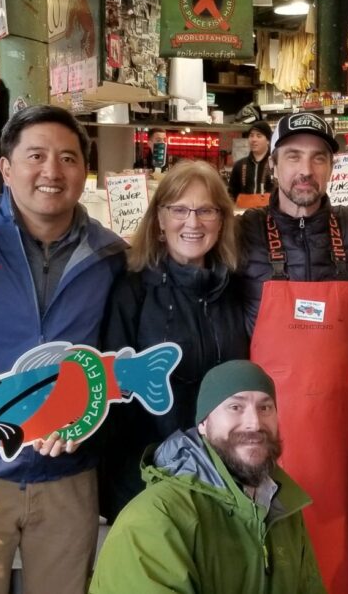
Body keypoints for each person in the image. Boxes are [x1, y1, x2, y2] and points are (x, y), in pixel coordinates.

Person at [0, 105, 128, 594]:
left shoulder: (110, 255)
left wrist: (89, 414)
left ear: (86, 171)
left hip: (68, 471)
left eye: (68, 159)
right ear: (5, 167)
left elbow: (112, 354)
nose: (52, 172)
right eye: (36, 156)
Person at [236, 111, 348, 594]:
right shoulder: (244, 232)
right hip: (260, 431)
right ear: (272, 165)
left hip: (337, 432)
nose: (304, 169)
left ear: (332, 168)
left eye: (317, 158)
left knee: (333, 555)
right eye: (292, 156)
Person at [89, 360, 325, 594]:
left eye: (265, 408)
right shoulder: (156, 517)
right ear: (203, 423)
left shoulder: (283, 510)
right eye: (236, 407)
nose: (254, 423)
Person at [100, 160, 249, 518]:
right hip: (148, 478)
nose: (193, 222)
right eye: (179, 209)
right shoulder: (132, 289)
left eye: (206, 210)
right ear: (160, 220)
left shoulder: (236, 288)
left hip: (222, 475)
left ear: (222, 220)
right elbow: (112, 393)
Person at [228, 120, 273, 201]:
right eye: (251, 136)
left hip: (269, 212)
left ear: (268, 140)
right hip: (243, 212)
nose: (254, 139)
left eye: (259, 136)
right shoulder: (239, 165)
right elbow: (231, 195)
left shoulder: (276, 164)